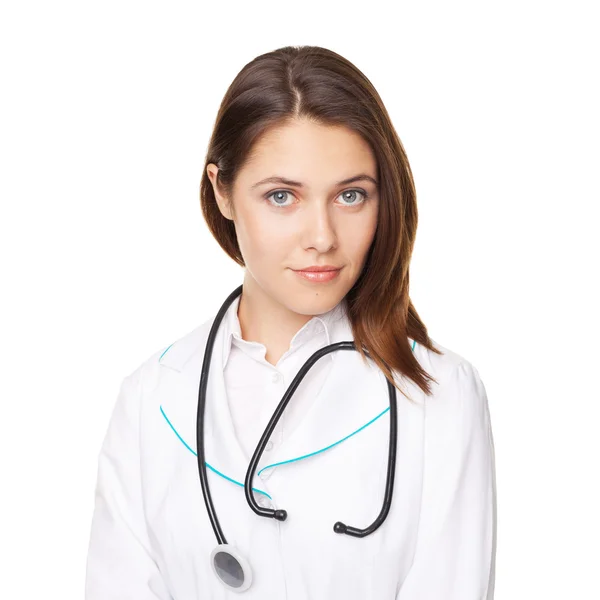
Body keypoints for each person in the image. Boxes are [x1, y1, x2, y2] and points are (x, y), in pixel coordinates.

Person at [85, 45, 497, 599]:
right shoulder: (150, 399)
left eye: (351, 196)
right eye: (282, 196)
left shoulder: (440, 395)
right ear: (222, 192)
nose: (322, 236)